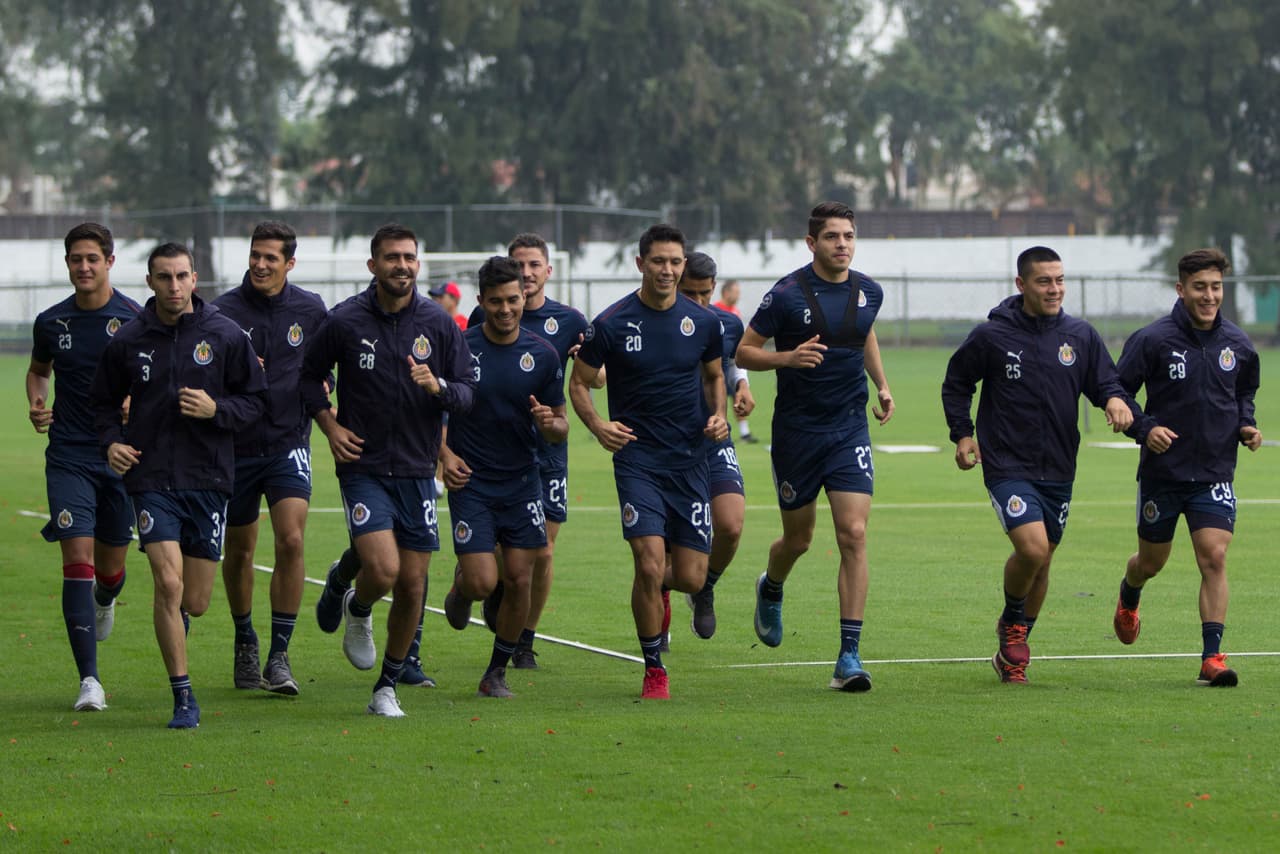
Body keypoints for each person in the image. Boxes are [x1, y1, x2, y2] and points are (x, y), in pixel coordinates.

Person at [941, 245, 1138, 685]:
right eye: (1044, 281)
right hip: (1008, 463)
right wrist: (963, 433)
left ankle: (1012, 654)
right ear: (1021, 285)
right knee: (1032, 548)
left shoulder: (1080, 336)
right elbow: (957, 381)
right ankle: (1013, 622)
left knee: (1043, 560)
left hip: (1060, 466)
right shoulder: (992, 336)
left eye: (1060, 280)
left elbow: (1104, 381)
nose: (1055, 289)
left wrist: (1114, 400)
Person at [91, 242, 267, 728]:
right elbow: (103, 404)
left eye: (182, 276)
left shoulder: (226, 336)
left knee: (195, 600)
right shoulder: (128, 341)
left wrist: (218, 411)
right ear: (149, 281)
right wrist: (111, 443)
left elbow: (256, 401)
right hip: (150, 479)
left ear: (195, 280)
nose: (174, 286)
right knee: (167, 584)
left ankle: (178, 629)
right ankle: (183, 696)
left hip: (208, 478)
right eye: (164, 277)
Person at [301, 223, 474, 717]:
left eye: (410, 257)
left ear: (418, 265)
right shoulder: (345, 320)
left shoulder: (439, 325)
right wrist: (330, 427)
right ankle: (357, 604)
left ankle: (386, 688)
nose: (402, 265)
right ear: (373, 265)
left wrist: (438, 386)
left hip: (419, 468)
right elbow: (308, 379)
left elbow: (466, 392)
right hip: (364, 465)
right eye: (392, 257)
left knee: (413, 585)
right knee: (384, 567)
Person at [736, 201, 894, 693]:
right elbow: (743, 350)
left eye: (848, 235)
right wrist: (787, 358)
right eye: (832, 237)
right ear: (812, 243)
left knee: (854, 533)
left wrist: (882, 385)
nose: (842, 244)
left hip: (849, 429)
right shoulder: (785, 294)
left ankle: (849, 655)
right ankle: (772, 585)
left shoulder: (870, 291)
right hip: (798, 435)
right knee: (799, 540)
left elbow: (863, 334)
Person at [570, 223, 727, 700]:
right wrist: (599, 426)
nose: (667, 270)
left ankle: (659, 590)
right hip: (637, 459)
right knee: (648, 561)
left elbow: (715, 375)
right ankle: (654, 666)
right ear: (640, 264)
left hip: (690, 460)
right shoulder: (612, 323)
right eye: (658, 261)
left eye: (675, 262)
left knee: (693, 576)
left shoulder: (702, 322)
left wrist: (719, 414)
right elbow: (578, 383)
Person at [1112, 248, 1262, 687]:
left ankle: (1212, 657)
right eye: (1200, 287)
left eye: (1216, 287)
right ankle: (1130, 592)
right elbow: (1117, 393)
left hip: (1215, 472)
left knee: (1214, 556)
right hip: (1164, 475)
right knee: (1152, 562)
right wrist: (1144, 428)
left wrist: (1246, 424)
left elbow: (1243, 392)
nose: (1209, 295)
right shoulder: (1152, 340)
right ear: (1181, 290)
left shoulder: (1238, 344)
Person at [441, 256, 569, 697]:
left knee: (520, 578)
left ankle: (495, 672)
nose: (505, 308)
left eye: (513, 299)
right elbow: (435, 410)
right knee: (482, 581)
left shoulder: (543, 355)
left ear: (524, 297)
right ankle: (461, 590)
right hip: (471, 480)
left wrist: (547, 423)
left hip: (522, 482)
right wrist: (443, 453)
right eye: (495, 301)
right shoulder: (459, 346)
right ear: (481, 301)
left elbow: (560, 424)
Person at [28, 222, 141, 712]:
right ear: (68, 263)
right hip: (69, 456)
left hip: (119, 457)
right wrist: (37, 400)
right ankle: (89, 681)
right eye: (76, 259)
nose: (84, 267)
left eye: (92, 258)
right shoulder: (51, 323)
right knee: (77, 561)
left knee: (111, 571)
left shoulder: (137, 320)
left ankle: (107, 593)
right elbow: (38, 371)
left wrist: (139, 400)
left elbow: (157, 376)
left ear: (109, 262)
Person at [464, 233, 591, 668]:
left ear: (546, 271)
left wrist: (588, 364)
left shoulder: (570, 321)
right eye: (520, 265)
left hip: (547, 451)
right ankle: (487, 581)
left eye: (535, 265)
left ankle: (523, 641)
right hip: (491, 455)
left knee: (544, 551)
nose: (528, 273)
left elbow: (598, 376)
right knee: (501, 560)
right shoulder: (477, 327)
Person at [212, 221, 329, 695]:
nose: (260, 264)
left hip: (288, 442)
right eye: (255, 255)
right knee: (240, 550)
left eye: (271, 258)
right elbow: (203, 374)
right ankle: (245, 639)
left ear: (289, 263)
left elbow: (324, 370)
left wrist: (327, 390)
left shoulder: (311, 309)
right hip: (235, 447)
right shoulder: (221, 312)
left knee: (292, 541)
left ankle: (280, 655)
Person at [677, 252, 754, 640]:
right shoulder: (661, 322)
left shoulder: (727, 322)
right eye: (689, 293)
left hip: (714, 435)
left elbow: (732, 361)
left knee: (730, 524)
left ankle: (705, 588)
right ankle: (655, 631)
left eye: (705, 293)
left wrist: (743, 387)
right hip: (668, 443)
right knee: (663, 550)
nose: (699, 303)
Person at [713, 279, 758, 444]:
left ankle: (744, 433)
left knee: (738, 398)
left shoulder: (735, 314)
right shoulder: (715, 311)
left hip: (732, 365)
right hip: (717, 368)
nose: (738, 296)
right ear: (725, 292)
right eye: (735, 292)